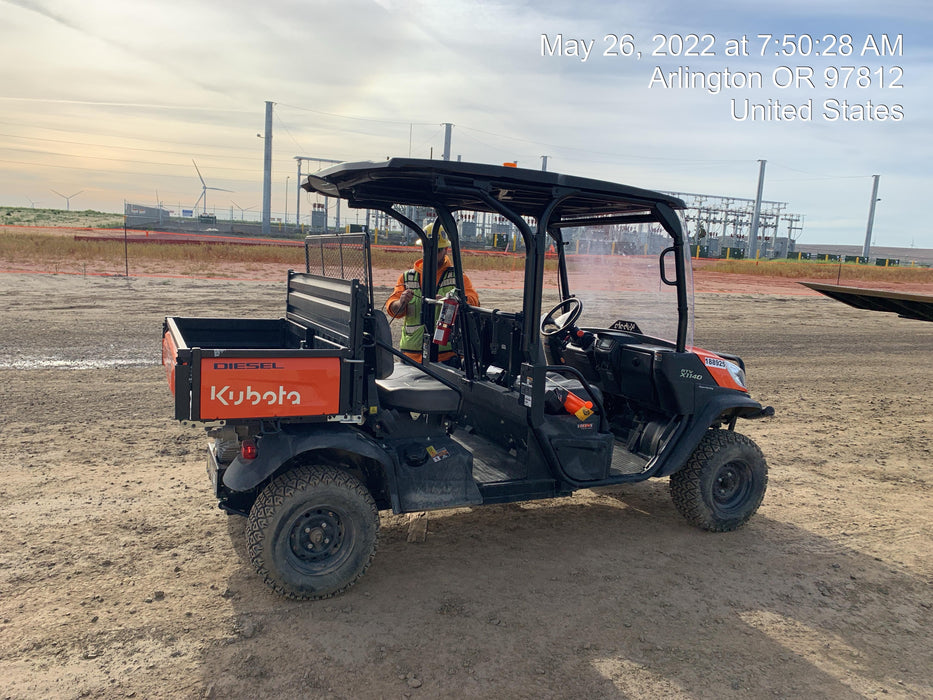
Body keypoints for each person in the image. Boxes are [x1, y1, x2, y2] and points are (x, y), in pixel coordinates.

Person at [385, 223, 479, 366]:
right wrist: (401, 302)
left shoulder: (458, 277)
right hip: (412, 356)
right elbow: (393, 309)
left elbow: (473, 303)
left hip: (445, 357)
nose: (432, 253)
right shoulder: (407, 277)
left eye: (438, 250)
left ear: (446, 250)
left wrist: (450, 302)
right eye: (427, 249)